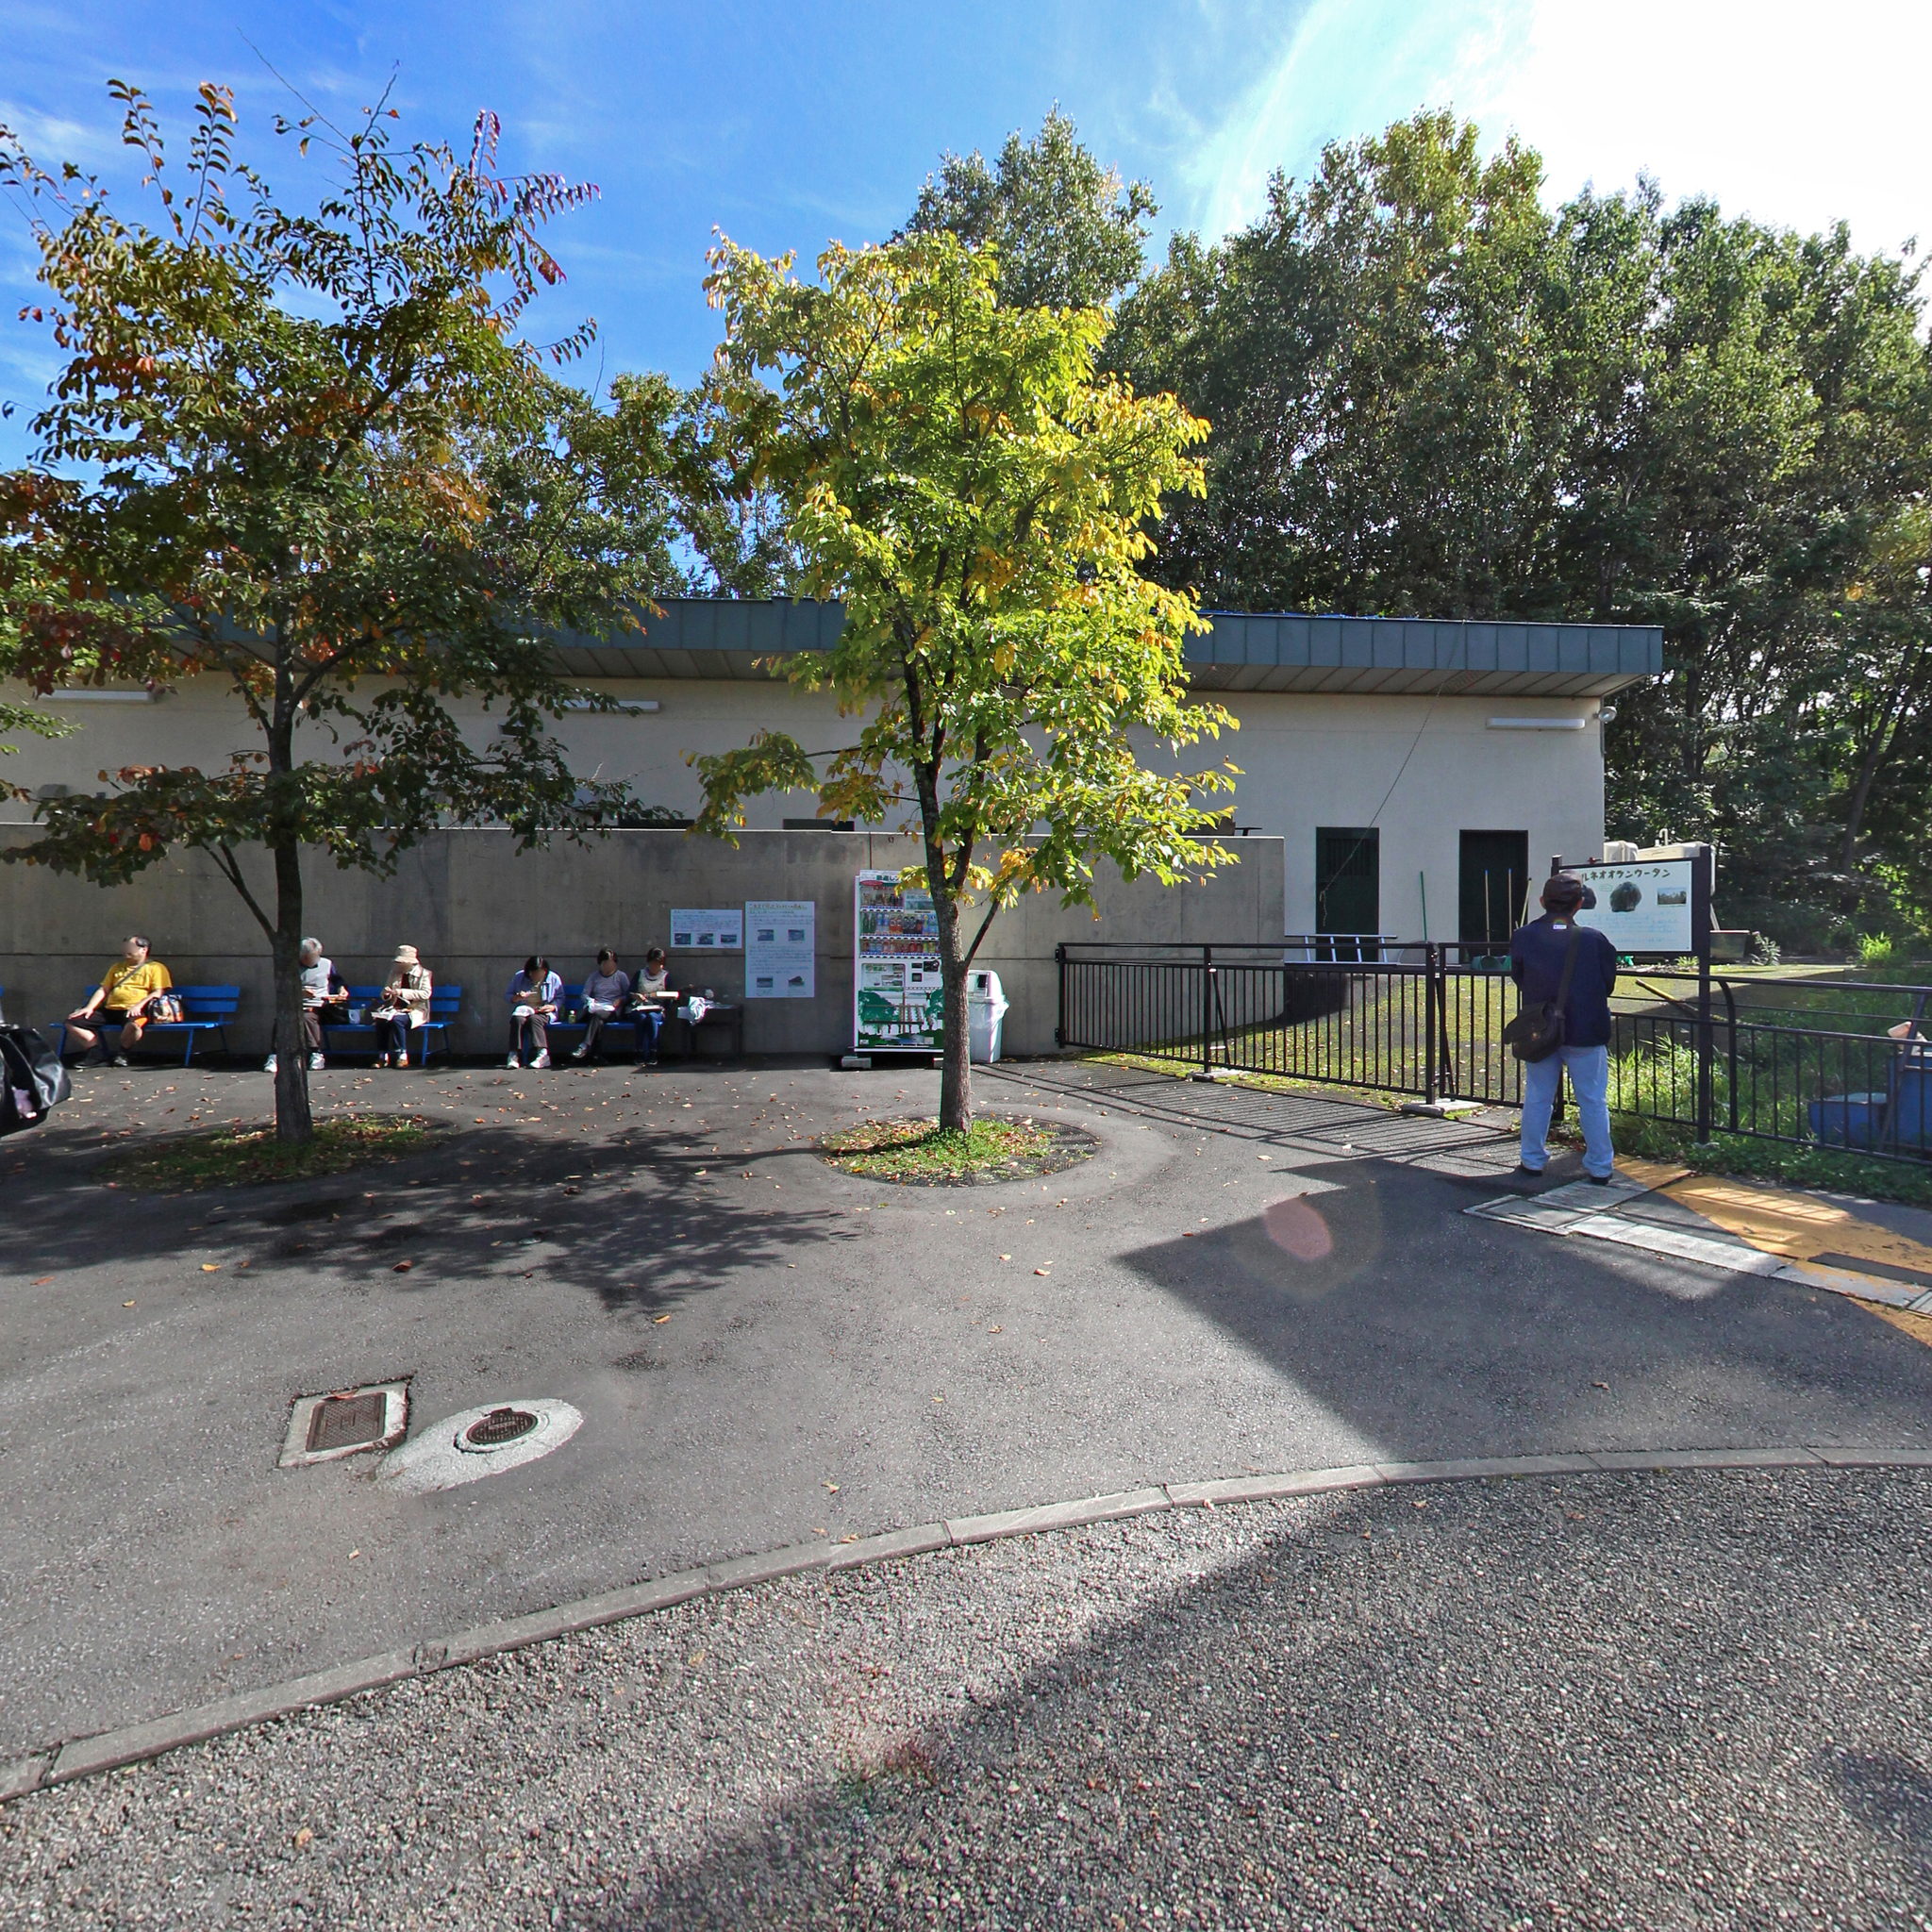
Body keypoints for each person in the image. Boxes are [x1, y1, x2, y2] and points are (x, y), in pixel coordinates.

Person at [1510, 873, 1621, 1183]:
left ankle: (1532, 1160)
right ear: (1579, 904)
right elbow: (1607, 983)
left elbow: (1519, 977)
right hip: (1586, 1029)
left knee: (1538, 1097)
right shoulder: (1594, 940)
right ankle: (1600, 1166)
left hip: (1540, 1028)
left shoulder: (1523, 937)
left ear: (1542, 901)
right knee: (1592, 1100)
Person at [65, 936, 174, 1066]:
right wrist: (89, 1008)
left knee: (134, 1026)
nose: (125, 950)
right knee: (73, 1022)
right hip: (110, 1009)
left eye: (130, 947)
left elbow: (158, 992)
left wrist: (138, 1006)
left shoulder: (156, 968)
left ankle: (123, 1054)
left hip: (135, 1010)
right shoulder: (117, 967)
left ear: (144, 950)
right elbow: (104, 989)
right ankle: (95, 1054)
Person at [265, 938, 347, 1074]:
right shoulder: (290, 966)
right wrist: (300, 991)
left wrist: (342, 989)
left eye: (314, 957)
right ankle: (275, 1056)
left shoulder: (326, 964)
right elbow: (283, 988)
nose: (311, 960)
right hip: (297, 1005)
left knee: (307, 1017)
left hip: (321, 1006)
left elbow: (337, 980)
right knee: (281, 1019)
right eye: (307, 958)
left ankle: (316, 1053)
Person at [371, 944, 432, 1068]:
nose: (400, 966)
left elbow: (426, 994)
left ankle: (402, 1055)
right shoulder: (394, 973)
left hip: (415, 1009)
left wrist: (401, 992)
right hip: (394, 1008)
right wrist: (387, 994)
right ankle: (382, 1056)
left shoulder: (424, 974)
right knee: (381, 1020)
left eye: (402, 963)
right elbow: (385, 992)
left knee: (397, 1021)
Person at [571, 950, 632, 1060]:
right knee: (598, 1020)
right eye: (605, 963)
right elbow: (584, 994)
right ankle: (596, 1056)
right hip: (596, 1008)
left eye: (610, 963)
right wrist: (590, 1000)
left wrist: (620, 1000)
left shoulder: (621, 976)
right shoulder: (594, 976)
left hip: (612, 1010)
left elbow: (628, 995)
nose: (607, 966)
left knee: (597, 1016)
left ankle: (584, 1046)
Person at [506, 956, 561, 1069]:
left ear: (545, 972)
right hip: (524, 1009)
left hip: (543, 1011)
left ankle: (543, 1055)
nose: (534, 976)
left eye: (538, 973)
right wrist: (517, 997)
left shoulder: (553, 978)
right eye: (531, 973)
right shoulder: (519, 977)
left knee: (534, 1019)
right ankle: (513, 1054)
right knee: (516, 1019)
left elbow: (560, 997)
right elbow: (508, 995)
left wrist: (553, 1007)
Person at [628, 946, 676, 1067]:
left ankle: (653, 1052)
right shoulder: (640, 974)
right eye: (653, 964)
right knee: (641, 1018)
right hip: (639, 1007)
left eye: (658, 964)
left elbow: (672, 995)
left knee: (652, 1018)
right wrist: (636, 996)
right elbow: (629, 992)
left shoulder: (666, 976)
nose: (655, 967)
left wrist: (665, 1004)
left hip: (657, 1009)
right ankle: (639, 1051)